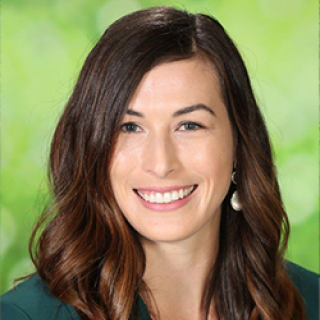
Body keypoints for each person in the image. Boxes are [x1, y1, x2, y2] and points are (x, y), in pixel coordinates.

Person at [1, 6, 318, 320]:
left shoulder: (310, 301)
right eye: (129, 127)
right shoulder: (25, 314)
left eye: (190, 125)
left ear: (239, 142)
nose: (161, 162)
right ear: (93, 148)